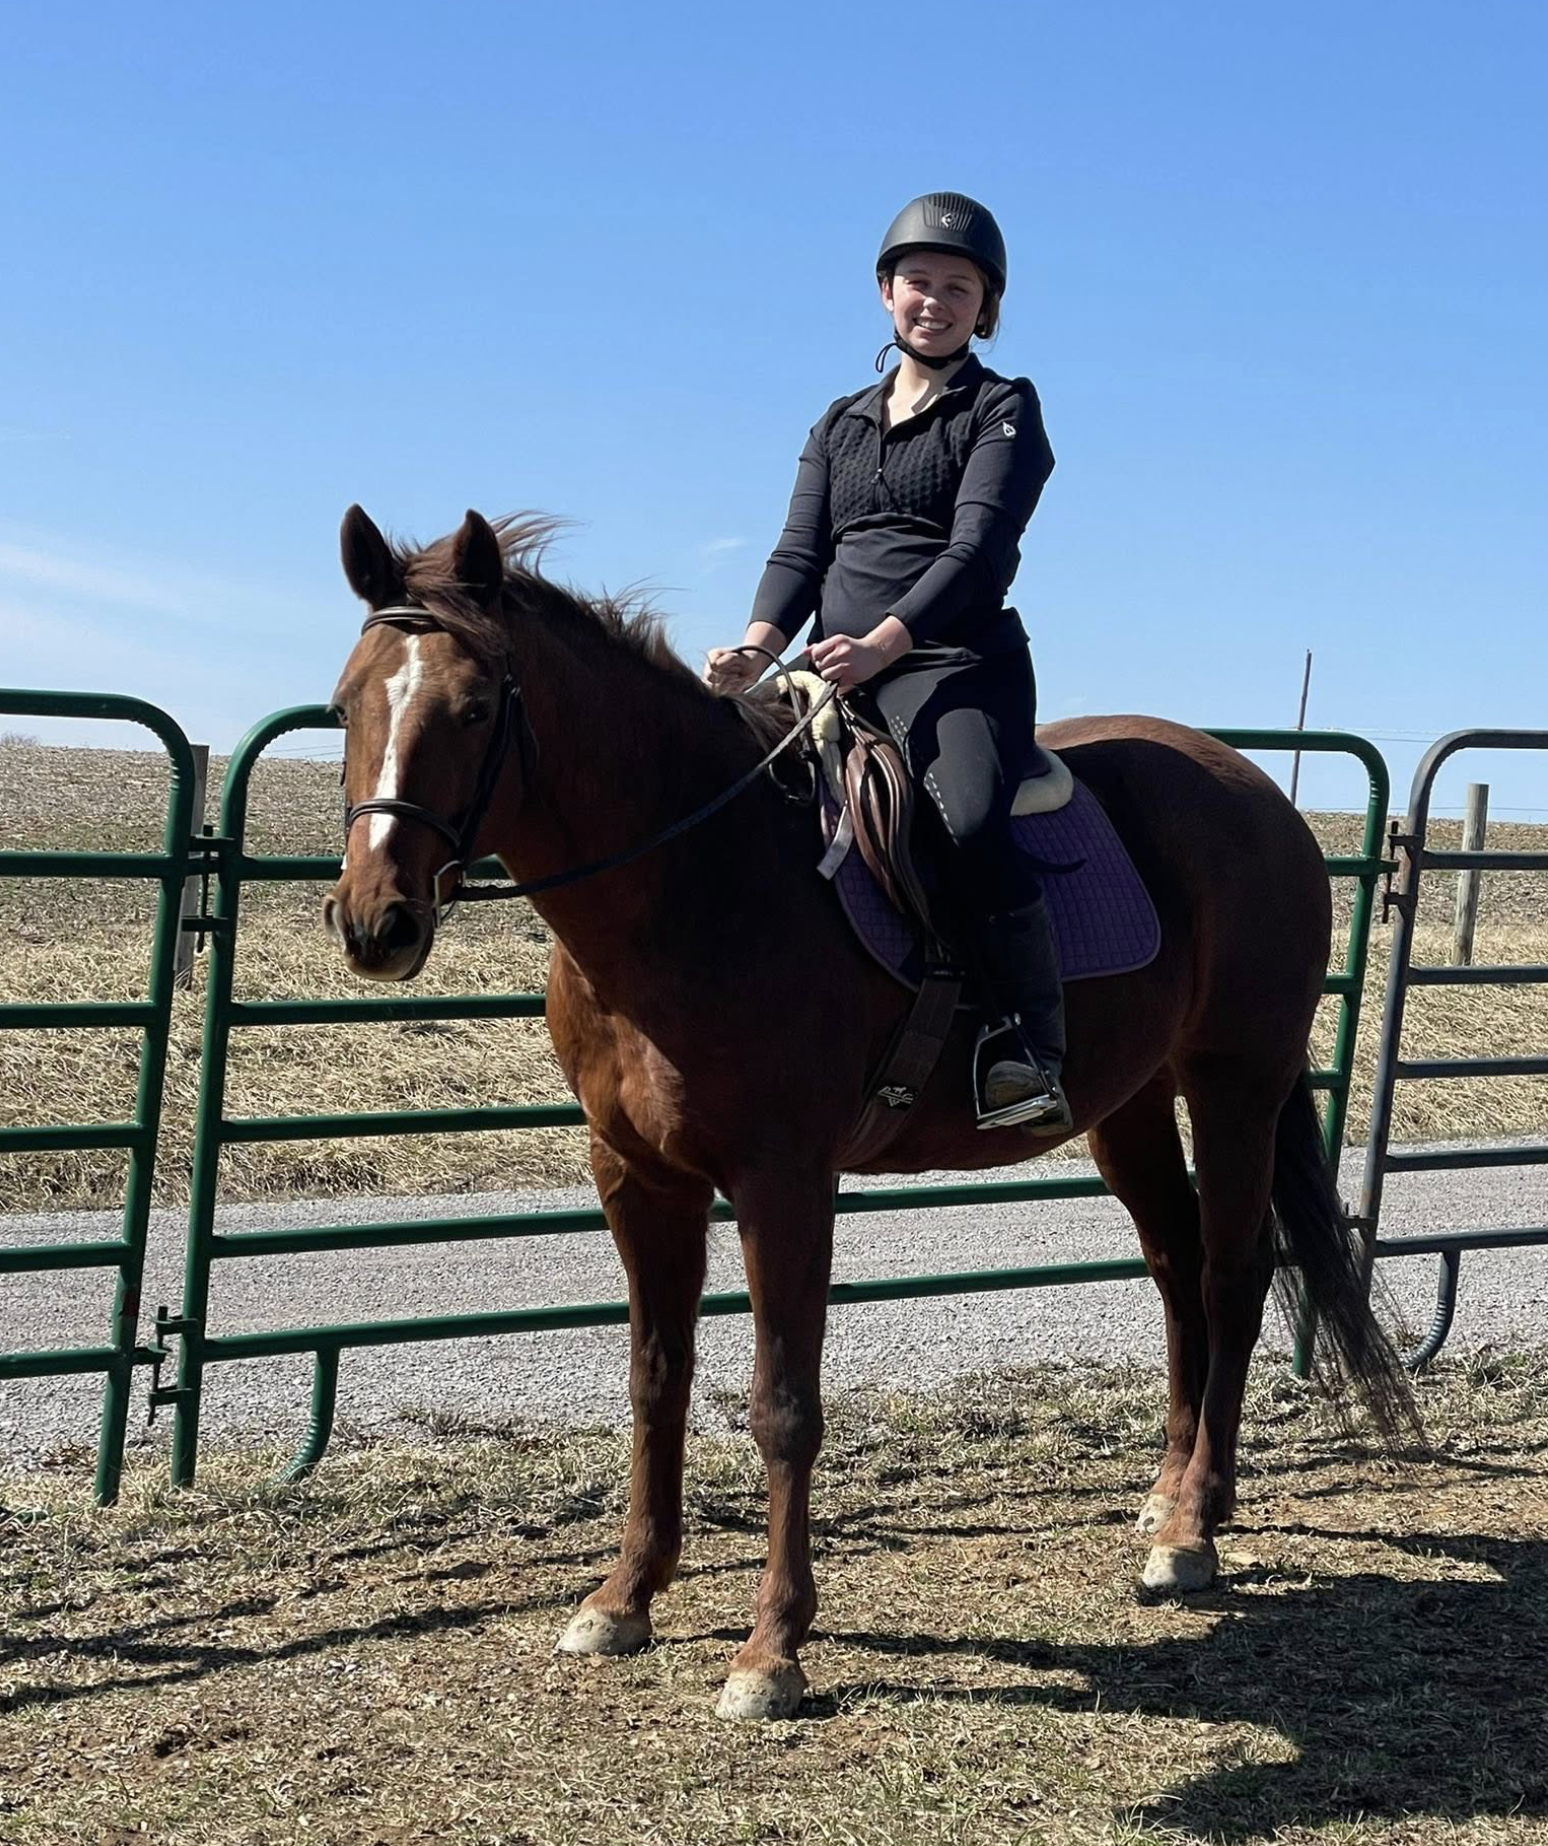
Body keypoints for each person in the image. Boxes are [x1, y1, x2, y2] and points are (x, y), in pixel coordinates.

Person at [706, 191, 1070, 1133]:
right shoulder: (839, 423)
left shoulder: (1003, 409)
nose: (934, 301)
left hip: (954, 666)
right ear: (885, 291)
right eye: (918, 281)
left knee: (969, 819)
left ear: (984, 308)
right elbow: (800, 552)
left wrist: (884, 644)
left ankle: (1027, 1044)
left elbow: (977, 552)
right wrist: (756, 646)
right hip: (833, 666)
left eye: (958, 288)